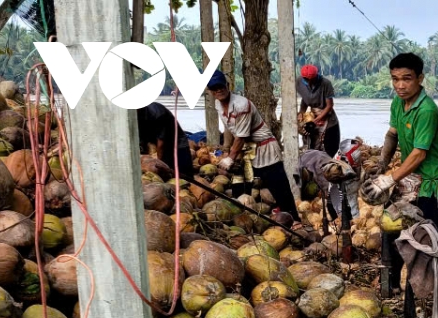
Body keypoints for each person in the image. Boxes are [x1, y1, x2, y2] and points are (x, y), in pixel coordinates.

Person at [361, 52, 438, 291]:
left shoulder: (426, 110)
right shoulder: (398, 102)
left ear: (420, 78)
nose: (400, 85)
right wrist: (382, 163)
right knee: (392, 227)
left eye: (406, 79)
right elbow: (392, 134)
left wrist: (388, 180)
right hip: (406, 178)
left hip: (429, 183)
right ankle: (393, 284)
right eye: (395, 79)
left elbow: (419, 154)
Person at [207, 70, 300, 221]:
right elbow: (229, 129)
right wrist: (226, 150)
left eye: (221, 86)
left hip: (265, 149)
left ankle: (294, 221)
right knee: (239, 189)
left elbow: (241, 136)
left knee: (279, 188)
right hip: (246, 152)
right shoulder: (218, 104)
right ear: (210, 91)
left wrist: (230, 158)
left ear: (228, 85)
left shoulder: (241, 105)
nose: (219, 90)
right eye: (214, 88)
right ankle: (243, 223)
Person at [136, 102, 193, 179]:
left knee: (184, 175)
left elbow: (161, 143)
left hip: (177, 143)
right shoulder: (135, 115)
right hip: (156, 141)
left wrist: (158, 162)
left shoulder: (158, 113)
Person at [297, 64, 340, 156]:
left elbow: (329, 105)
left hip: (326, 114)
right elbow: (304, 99)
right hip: (312, 114)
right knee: (309, 139)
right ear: (303, 78)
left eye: (312, 80)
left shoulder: (325, 83)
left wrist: (317, 119)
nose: (309, 83)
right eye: (307, 80)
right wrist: (301, 112)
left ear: (316, 76)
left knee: (329, 144)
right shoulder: (299, 82)